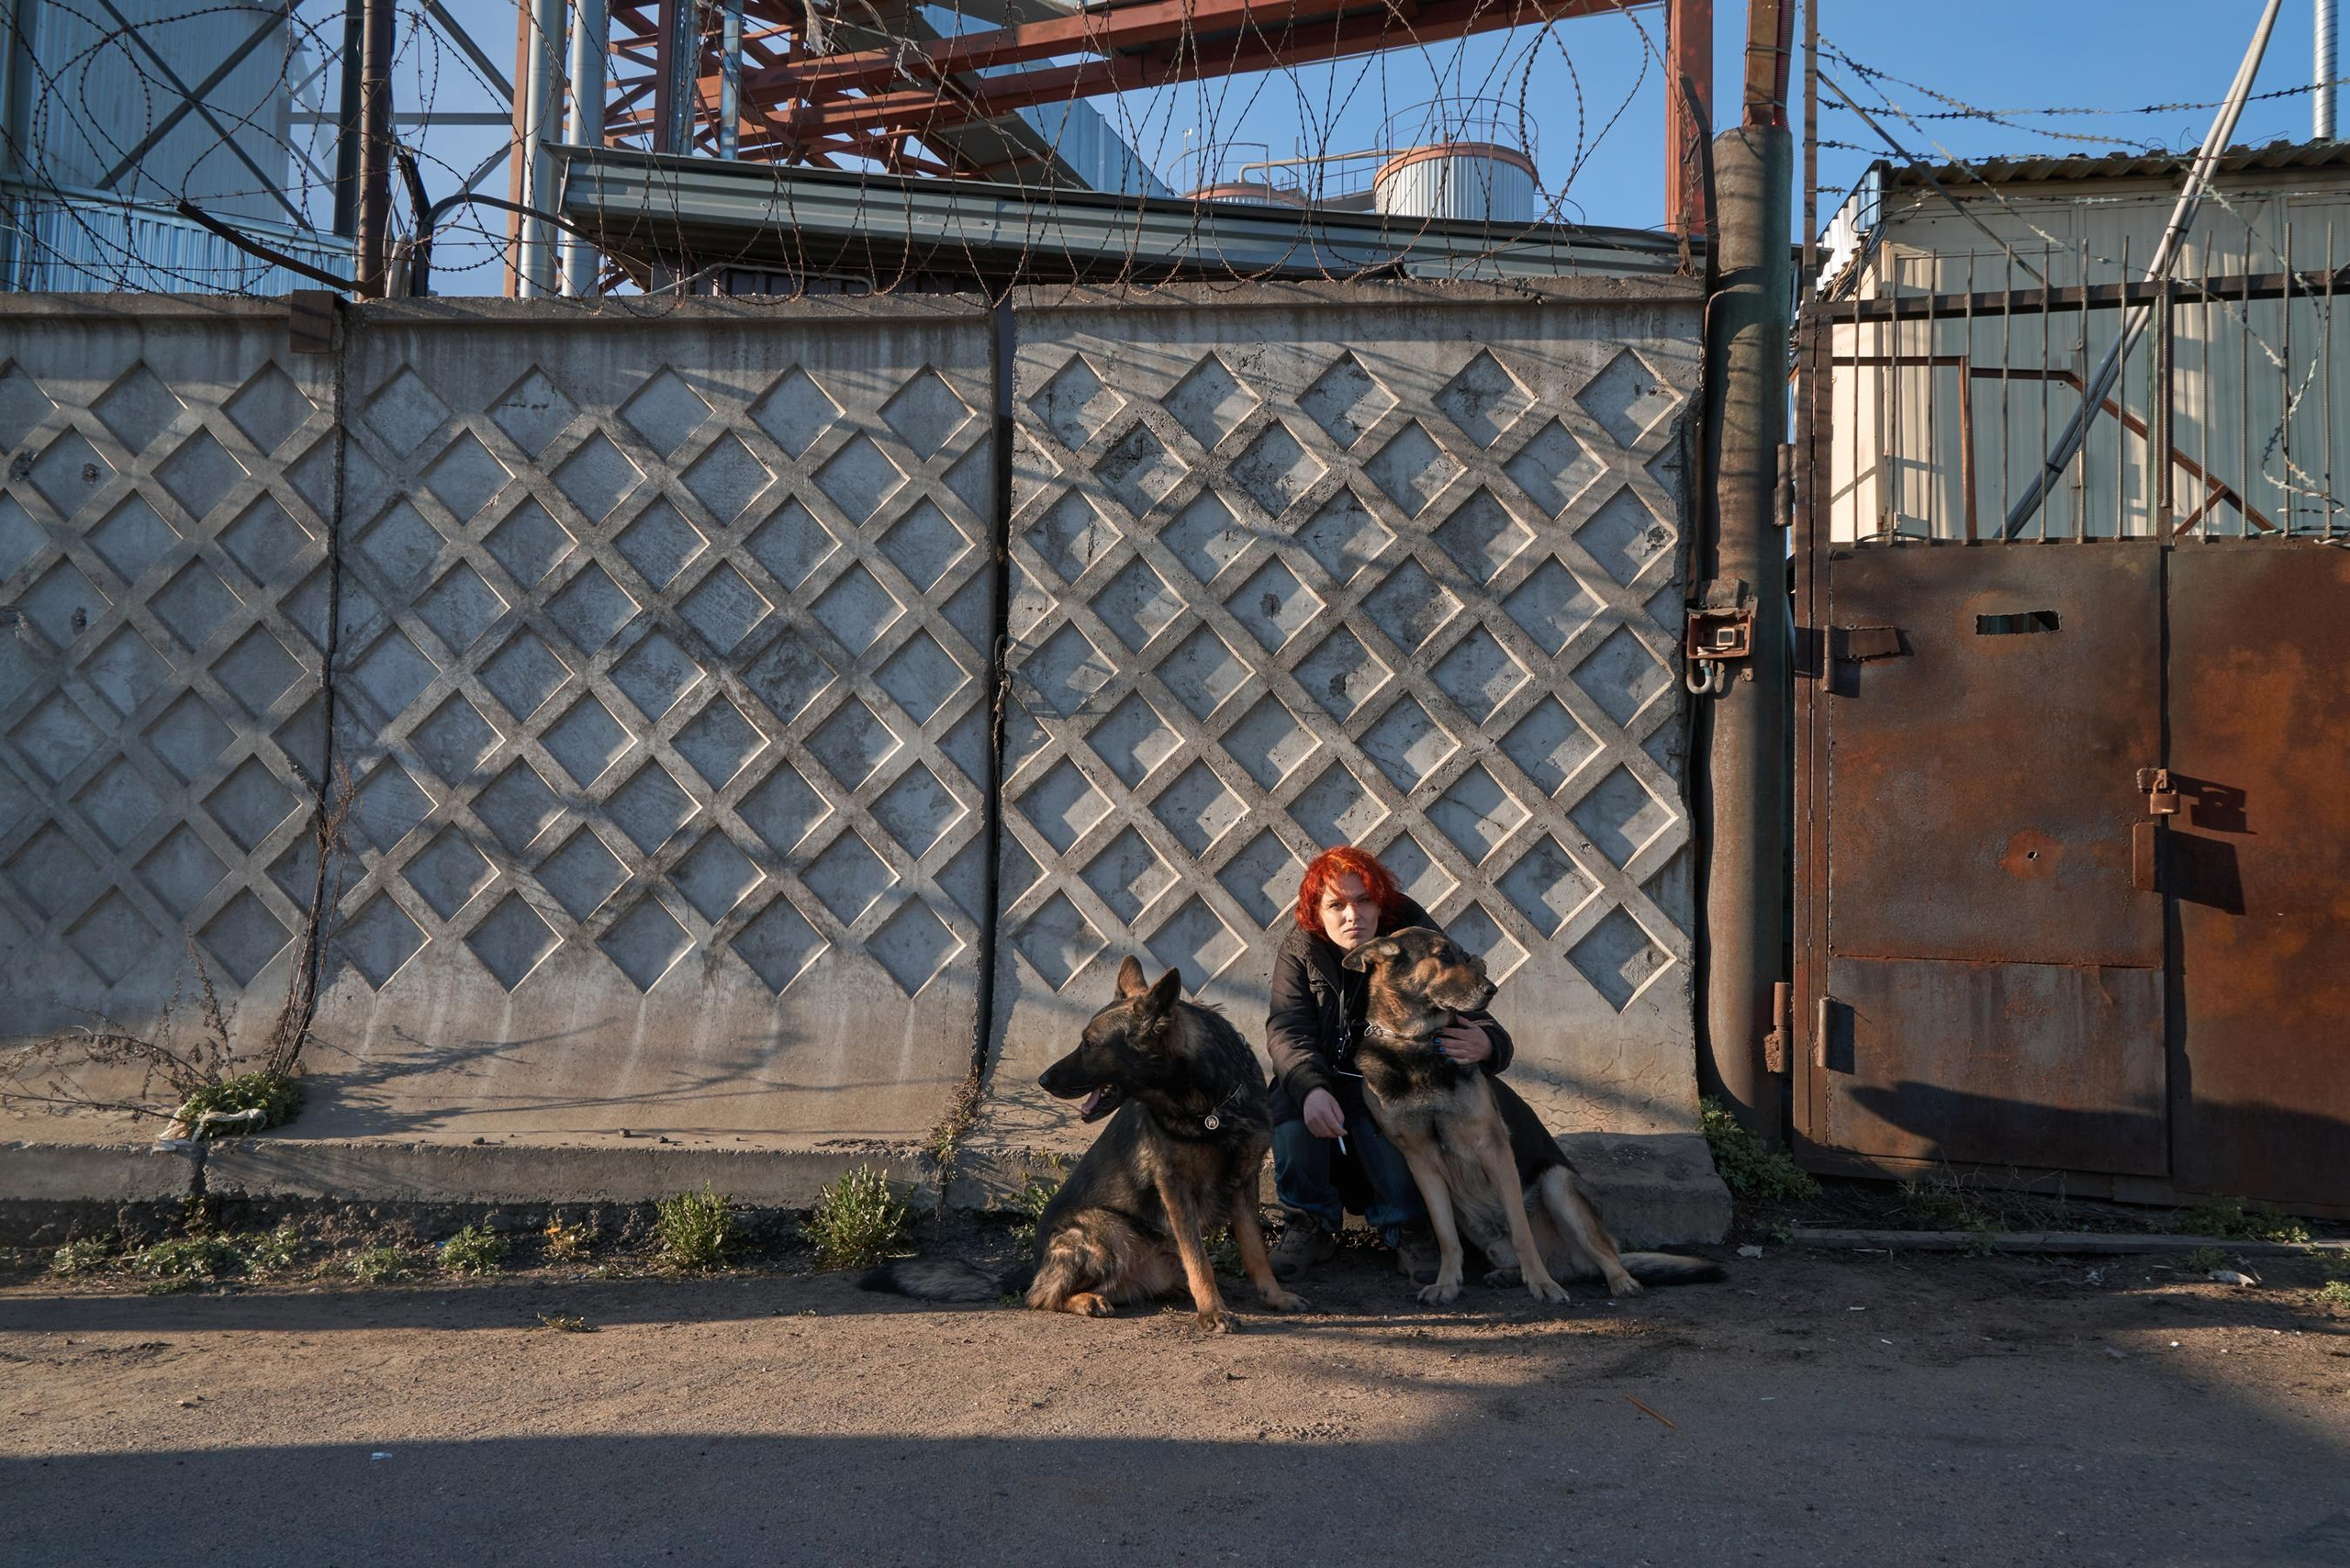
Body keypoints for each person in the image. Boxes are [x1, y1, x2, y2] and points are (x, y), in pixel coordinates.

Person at [1263, 845, 1516, 1282]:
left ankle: (1408, 1229)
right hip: (1323, 1073)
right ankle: (1309, 1226)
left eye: (1363, 900)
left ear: (1381, 902)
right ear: (1315, 911)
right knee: (1290, 1122)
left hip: (1392, 1074)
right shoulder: (1300, 949)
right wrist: (1310, 1086)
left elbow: (1459, 986)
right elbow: (1288, 1028)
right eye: (1336, 905)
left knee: (1389, 1124)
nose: (1352, 915)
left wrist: (1490, 1041)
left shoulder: (1415, 934)